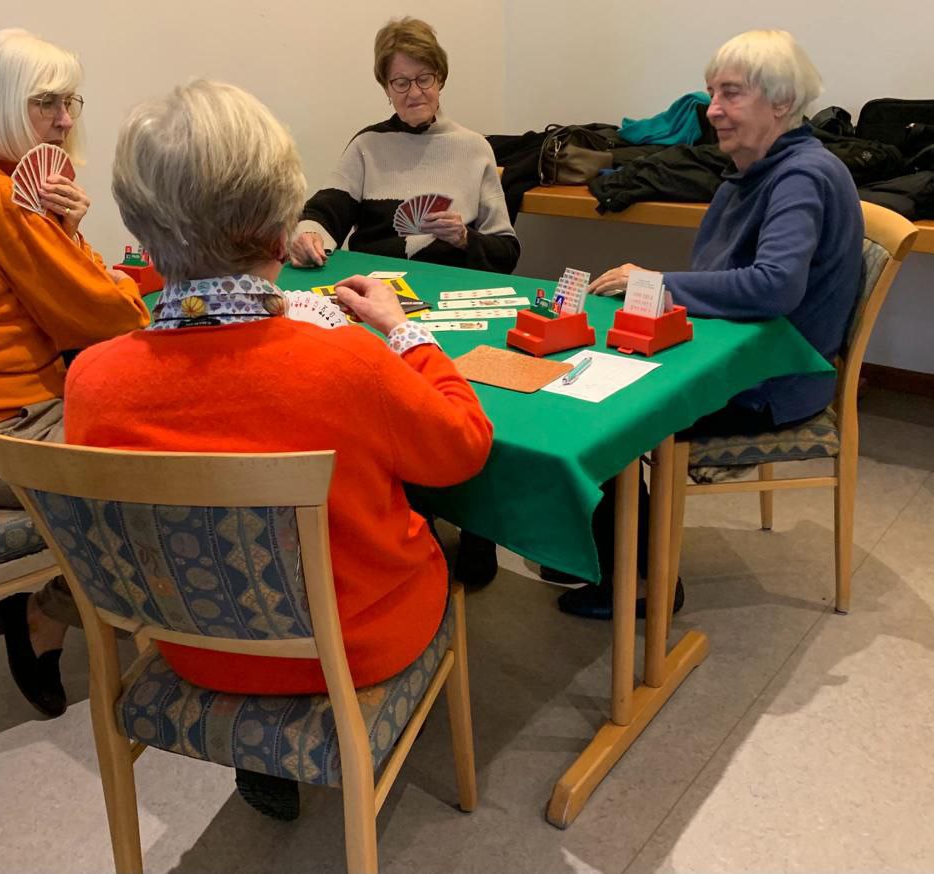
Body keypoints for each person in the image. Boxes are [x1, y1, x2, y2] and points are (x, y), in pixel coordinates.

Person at [64, 79, 493, 821]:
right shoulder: (346, 363)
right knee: (427, 523)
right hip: (356, 643)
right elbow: (463, 448)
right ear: (277, 228)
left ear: (141, 228)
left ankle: (260, 758)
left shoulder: (92, 381)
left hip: (194, 647)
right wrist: (403, 330)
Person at [553, 29, 864, 619]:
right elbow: (723, 278)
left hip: (776, 380)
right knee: (588, 377)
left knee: (606, 409)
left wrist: (656, 283)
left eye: (730, 94)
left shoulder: (801, 176)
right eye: (712, 93)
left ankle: (644, 580)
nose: (712, 110)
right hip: (738, 354)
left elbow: (775, 285)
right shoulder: (753, 169)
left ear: (781, 102)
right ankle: (602, 548)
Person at [0, 29, 150, 716]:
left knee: (154, 433)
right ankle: (45, 613)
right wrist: (101, 271)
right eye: (46, 102)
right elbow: (108, 314)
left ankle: (75, 607)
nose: (65, 119)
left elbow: (78, 300)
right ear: (0, 102)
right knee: (162, 468)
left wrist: (69, 237)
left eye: (70, 101)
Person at [291, 16, 517, 587]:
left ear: (441, 79)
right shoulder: (367, 145)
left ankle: (480, 529)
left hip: (458, 306)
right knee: (392, 409)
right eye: (400, 82)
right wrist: (308, 232)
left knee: (463, 404)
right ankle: (415, 513)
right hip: (385, 307)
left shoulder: (473, 148)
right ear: (384, 87)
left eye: (424, 79)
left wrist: (465, 239)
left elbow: (508, 250)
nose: (414, 92)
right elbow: (327, 209)